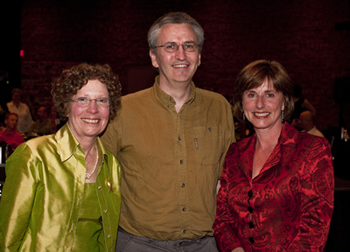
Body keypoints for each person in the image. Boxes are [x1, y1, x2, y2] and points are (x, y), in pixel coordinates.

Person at [101, 12, 235, 252]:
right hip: (139, 244)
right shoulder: (122, 110)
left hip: (206, 244)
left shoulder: (219, 107)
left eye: (189, 46)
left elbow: (225, 180)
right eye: (170, 46)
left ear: (200, 55)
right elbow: (98, 178)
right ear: (154, 57)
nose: (181, 55)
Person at [213, 60, 334, 252]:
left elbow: (315, 226)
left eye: (269, 95)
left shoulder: (312, 149)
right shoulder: (235, 153)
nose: (260, 104)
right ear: (242, 103)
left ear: (285, 101)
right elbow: (223, 218)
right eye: (251, 95)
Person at [0, 63, 123, 251]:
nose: (93, 109)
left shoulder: (111, 165)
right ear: (66, 107)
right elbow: (9, 237)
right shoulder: (34, 155)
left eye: (102, 100)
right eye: (82, 99)